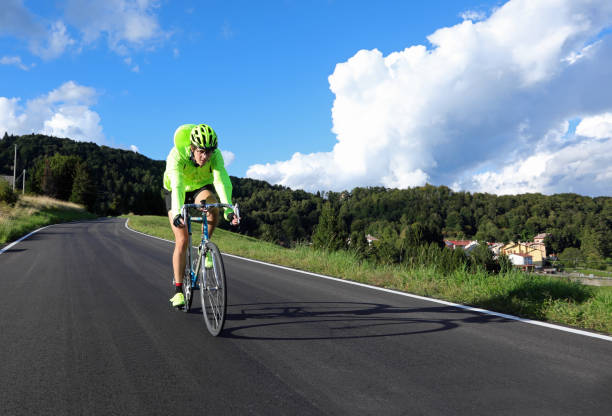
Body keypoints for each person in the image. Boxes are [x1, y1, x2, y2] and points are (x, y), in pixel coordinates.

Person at [163, 123, 239, 308]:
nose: (205, 157)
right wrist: (177, 213)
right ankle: (179, 291)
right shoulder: (177, 155)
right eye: (201, 152)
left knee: (213, 206)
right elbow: (178, 185)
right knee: (182, 240)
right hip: (175, 189)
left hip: (200, 187)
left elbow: (222, 181)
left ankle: (204, 246)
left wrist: (229, 210)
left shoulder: (216, 156)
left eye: (209, 152)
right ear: (192, 148)